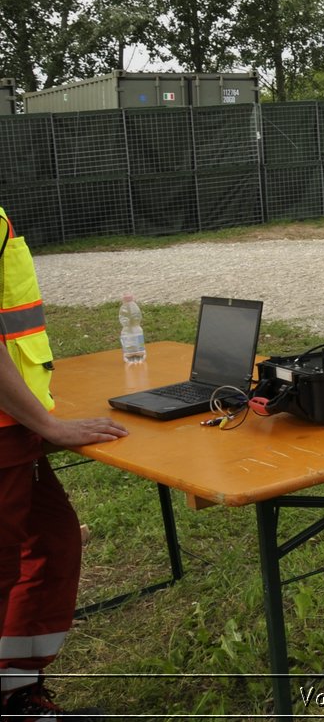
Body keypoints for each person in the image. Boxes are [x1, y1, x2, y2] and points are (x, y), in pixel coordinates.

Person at [0, 205, 126, 721]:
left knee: (51, 546)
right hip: (6, 430)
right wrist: (49, 425)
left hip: (14, 425)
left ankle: (14, 693)